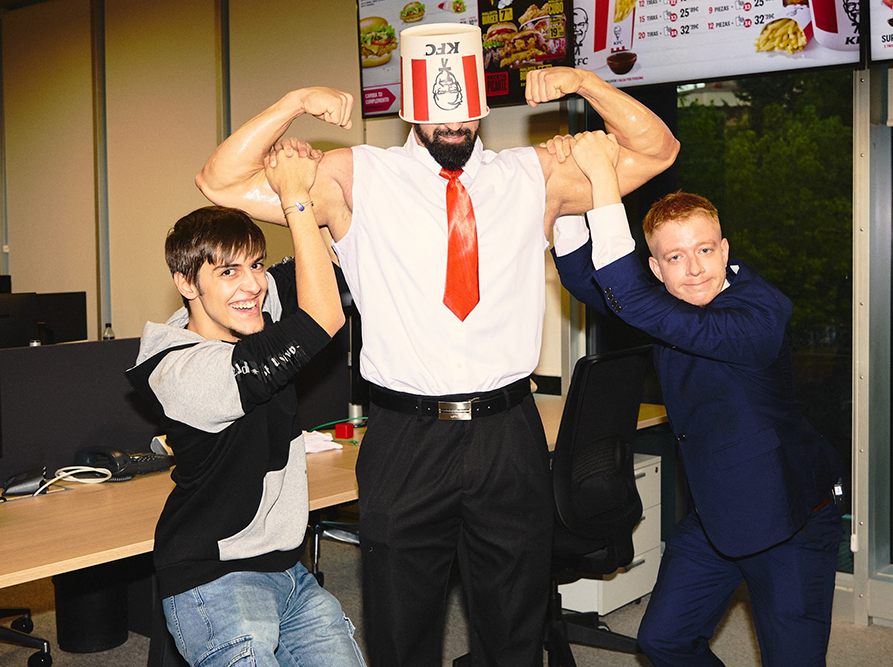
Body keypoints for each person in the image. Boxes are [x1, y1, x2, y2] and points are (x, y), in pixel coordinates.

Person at [194, 32, 679, 665]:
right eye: (438, 111)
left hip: (508, 432)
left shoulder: (534, 175)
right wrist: (293, 103)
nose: (453, 123)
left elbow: (657, 149)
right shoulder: (356, 177)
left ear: (482, 108)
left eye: (465, 110)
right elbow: (220, 180)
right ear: (410, 110)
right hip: (406, 438)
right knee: (402, 631)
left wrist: (586, 83)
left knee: (515, 632)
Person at [550, 130, 843, 666]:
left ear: (724, 250)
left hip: (788, 518)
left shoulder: (760, 312)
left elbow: (638, 301)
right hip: (717, 510)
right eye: (675, 257)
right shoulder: (669, 302)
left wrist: (606, 180)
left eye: (705, 250)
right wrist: (573, 194)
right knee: (663, 642)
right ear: (656, 269)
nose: (694, 268)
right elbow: (590, 281)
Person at [126, 144, 366, 667]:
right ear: (186, 283)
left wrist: (305, 152)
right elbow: (322, 320)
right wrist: (294, 198)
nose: (253, 284)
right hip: (214, 576)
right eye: (228, 272)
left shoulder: (250, 314)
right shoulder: (184, 372)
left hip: (287, 572)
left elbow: (333, 264)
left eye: (256, 265)